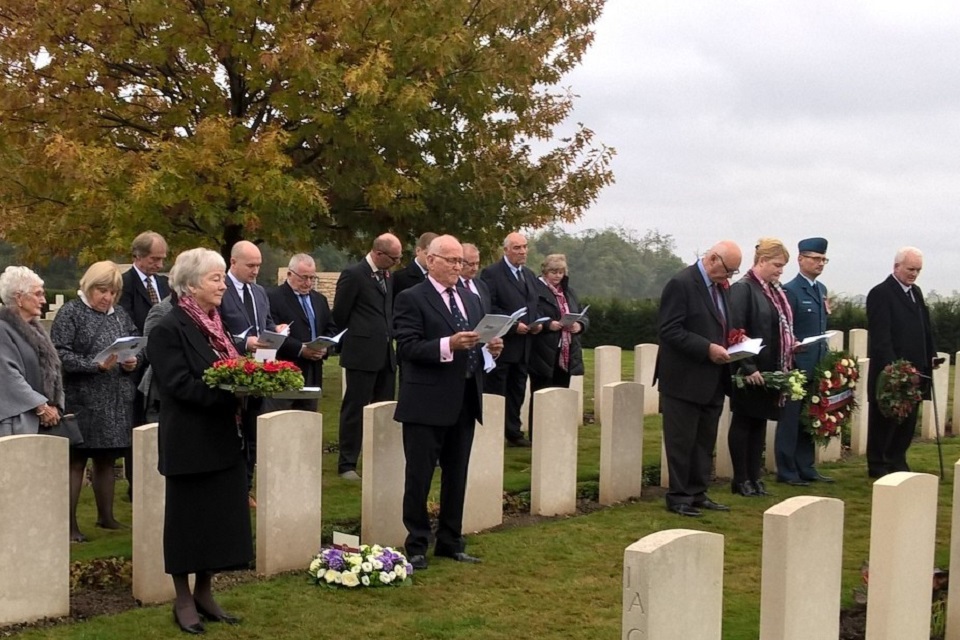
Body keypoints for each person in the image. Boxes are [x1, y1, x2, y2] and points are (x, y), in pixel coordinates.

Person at [147, 248, 249, 634]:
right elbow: (177, 385)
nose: (223, 285)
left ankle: (205, 593)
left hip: (223, 438)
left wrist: (248, 382)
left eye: (223, 277)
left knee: (218, 522)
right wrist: (233, 392)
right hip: (189, 441)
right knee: (187, 523)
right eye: (215, 278)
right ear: (190, 285)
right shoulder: (168, 329)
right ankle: (183, 598)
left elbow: (230, 368)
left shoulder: (217, 325)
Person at [393, 235, 503, 570]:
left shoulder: (471, 300)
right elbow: (407, 347)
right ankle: (416, 543)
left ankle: (451, 541)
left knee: (457, 475)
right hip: (426, 400)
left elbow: (475, 345)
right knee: (420, 476)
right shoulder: (412, 298)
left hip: (464, 398)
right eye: (451, 261)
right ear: (430, 260)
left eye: (461, 261)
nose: (458, 267)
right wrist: (447, 345)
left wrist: (490, 349)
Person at [51, 261, 139, 542]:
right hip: (83, 399)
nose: (108, 298)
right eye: (102, 291)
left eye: (113, 292)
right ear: (89, 287)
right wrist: (92, 365)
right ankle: (69, 525)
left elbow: (136, 343)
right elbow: (59, 353)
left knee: (107, 459)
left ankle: (106, 516)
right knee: (76, 462)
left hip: (116, 400)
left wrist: (132, 362)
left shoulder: (120, 315)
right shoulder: (71, 313)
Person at [655, 241, 741, 517]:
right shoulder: (681, 284)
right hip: (684, 378)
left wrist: (738, 342)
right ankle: (679, 496)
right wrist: (707, 348)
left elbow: (722, 325)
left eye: (733, 273)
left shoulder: (719, 288)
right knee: (682, 441)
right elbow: (670, 329)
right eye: (728, 271)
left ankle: (697, 492)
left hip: (713, 377)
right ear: (713, 259)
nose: (729, 278)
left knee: (704, 441)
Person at [219, 240, 302, 503]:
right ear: (233, 263)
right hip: (232, 370)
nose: (255, 271)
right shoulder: (221, 290)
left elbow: (264, 323)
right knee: (234, 433)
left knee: (255, 431)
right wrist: (246, 342)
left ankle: (247, 486)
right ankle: (233, 487)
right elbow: (219, 330)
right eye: (250, 265)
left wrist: (275, 330)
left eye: (258, 265)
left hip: (260, 369)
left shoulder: (259, 292)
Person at [727, 238, 797, 497]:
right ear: (762, 261)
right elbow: (735, 330)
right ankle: (740, 479)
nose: (781, 271)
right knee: (744, 422)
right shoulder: (744, 289)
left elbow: (776, 330)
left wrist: (792, 345)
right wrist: (748, 367)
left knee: (759, 425)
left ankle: (754, 477)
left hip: (769, 370)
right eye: (777, 265)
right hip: (750, 370)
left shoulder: (773, 292)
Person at [332, 233, 401, 480]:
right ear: (379, 254)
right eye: (394, 257)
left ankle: (380, 458)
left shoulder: (387, 275)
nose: (397, 262)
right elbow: (340, 313)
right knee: (355, 408)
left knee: (383, 407)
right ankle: (347, 463)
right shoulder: (354, 274)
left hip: (385, 353)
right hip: (361, 353)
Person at [866, 246, 936, 478]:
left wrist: (931, 356)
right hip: (892, 370)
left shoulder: (916, 292)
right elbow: (881, 336)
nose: (914, 274)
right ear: (896, 267)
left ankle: (897, 460)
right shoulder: (881, 293)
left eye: (918, 270)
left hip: (917, 370)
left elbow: (924, 329)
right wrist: (894, 368)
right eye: (910, 269)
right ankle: (878, 463)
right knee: (884, 419)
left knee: (907, 420)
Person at [777, 237, 834, 485]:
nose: (820, 263)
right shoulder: (790, 290)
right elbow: (786, 328)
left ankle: (806, 466)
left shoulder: (820, 290)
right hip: (798, 365)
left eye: (823, 259)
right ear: (801, 259)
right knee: (790, 420)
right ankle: (787, 470)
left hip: (817, 364)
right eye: (815, 258)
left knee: (811, 417)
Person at [119, 231, 169, 500]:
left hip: (161, 364)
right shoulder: (125, 284)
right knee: (137, 424)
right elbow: (127, 323)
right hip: (135, 365)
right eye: (154, 259)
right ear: (137, 256)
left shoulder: (163, 285)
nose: (159, 265)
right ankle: (135, 484)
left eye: (162, 259)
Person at [480, 232, 542, 447]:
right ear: (505, 250)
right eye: (517, 248)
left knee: (517, 390)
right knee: (498, 390)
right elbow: (490, 306)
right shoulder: (492, 274)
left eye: (525, 247)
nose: (522, 251)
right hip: (503, 344)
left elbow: (533, 304)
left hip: (525, 345)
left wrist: (536, 323)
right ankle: (493, 431)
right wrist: (515, 326)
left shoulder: (529, 275)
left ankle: (513, 432)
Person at [527, 254, 588, 436]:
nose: (557, 276)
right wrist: (548, 324)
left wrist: (579, 324)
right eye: (553, 272)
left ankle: (558, 432)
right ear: (545, 272)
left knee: (562, 391)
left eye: (561, 272)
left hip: (566, 350)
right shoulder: (535, 290)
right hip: (544, 350)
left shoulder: (568, 292)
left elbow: (581, 313)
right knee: (541, 392)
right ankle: (538, 433)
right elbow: (532, 315)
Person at [266, 253, 335, 412]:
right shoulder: (273, 297)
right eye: (304, 277)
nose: (308, 283)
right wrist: (301, 349)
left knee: (308, 421)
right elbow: (271, 332)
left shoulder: (320, 300)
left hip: (313, 371)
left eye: (312, 278)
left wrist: (325, 348)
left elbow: (330, 328)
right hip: (286, 369)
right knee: (283, 419)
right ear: (290, 274)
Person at [0, 266, 64, 436]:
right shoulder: (2, 329)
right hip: (16, 421)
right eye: (38, 294)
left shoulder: (36, 330)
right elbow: (8, 376)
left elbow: (53, 370)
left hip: (43, 422)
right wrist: (41, 406)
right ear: (19, 298)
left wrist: (55, 405)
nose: (43, 300)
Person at [392, 232, 437, 299]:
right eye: (427, 254)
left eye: (435, 256)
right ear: (418, 251)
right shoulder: (399, 277)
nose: (431, 259)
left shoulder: (441, 276)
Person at [459, 243, 490, 313]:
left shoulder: (482, 286)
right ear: (460, 262)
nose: (475, 268)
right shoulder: (452, 286)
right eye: (471, 264)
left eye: (477, 264)